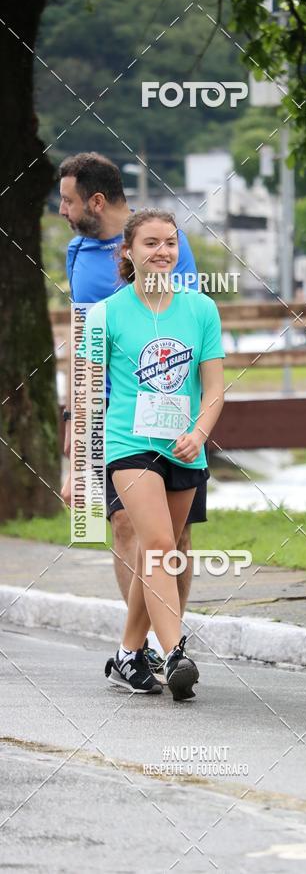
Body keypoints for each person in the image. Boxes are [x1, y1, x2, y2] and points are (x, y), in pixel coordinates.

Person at [59, 152, 201, 676]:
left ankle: (160, 645)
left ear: (96, 201)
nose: (61, 211)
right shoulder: (77, 254)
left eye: (68, 201)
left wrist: (201, 420)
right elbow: (83, 346)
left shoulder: (166, 247)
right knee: (126, 530)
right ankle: (147, 651)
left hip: (172, 414)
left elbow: (191, 333)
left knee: (175, 540)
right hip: (115, 422)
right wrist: (76, 440)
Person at [74, 208, 225, 700]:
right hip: (129, 446)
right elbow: (87, 395)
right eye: (150, 243)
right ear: (128, 252)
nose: (162, 252)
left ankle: (126, 655)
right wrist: (78, 466)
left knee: (164, 552)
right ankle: (176, 651)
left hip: (185, 447)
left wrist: (200, 434)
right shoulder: (106, 314)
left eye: (170, 243)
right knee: (158, 544)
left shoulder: (201, 310)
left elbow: (216, 389)